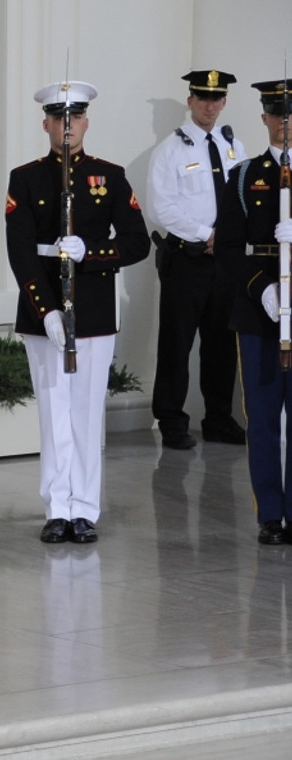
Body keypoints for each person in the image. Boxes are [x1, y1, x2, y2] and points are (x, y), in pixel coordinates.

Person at [5, 81, 150, 545]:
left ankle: (84, 508)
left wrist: (93, 251)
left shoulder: (110, 175)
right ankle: (57, 507)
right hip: (42, 308)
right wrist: (44, 309)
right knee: (53, 412)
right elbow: (20, 251)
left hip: (92, 308)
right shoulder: (25, 178)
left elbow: (136, 242)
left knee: (86, 414)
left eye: (76, 118)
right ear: (45, 123)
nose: (67, 127)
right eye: (58, 118)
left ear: (86, 122)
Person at [145, 70, 246, 449]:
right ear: (190, 101)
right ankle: (171, 421)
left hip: (225, 264)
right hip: (188, 261)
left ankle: (219, 419)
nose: (210, 105)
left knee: (221, 345)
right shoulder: (170, 150)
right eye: (202, 97)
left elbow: (244, 196)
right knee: (176, 344)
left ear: (224, 102)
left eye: (216, 98)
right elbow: (161, 209)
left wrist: (232, 239)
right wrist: (210, 235)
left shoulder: (234, 145)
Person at [215, 78, 292, 545]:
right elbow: (226, 247)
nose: (285, 121)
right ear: (263, 117)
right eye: (276, 112)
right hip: (258, 310)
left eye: (291, 112)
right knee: (262, 416)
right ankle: (271, 513)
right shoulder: (244, 176)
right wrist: (262, 288)